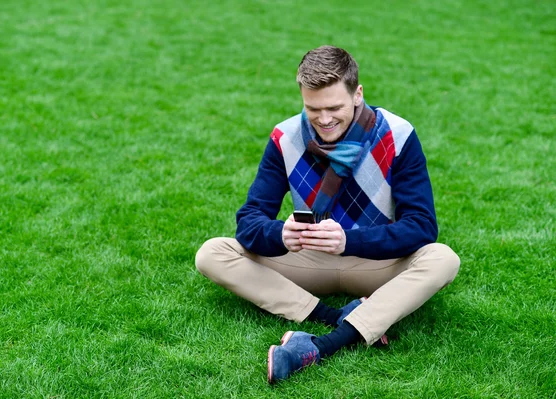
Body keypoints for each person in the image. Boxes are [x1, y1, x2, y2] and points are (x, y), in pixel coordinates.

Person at [195, 45, 460, 384]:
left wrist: (349, 240)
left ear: (357, 94)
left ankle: (322, 345)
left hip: (376, 263)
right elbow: (250, 219)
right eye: (312, 109)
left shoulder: (399, 135)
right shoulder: (285, 137)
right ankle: (338, 316)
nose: (323, 119)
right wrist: (280, 234)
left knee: (443, 259)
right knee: (212, 253)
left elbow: (422, 226)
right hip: (307, 262)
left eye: (334, 107)